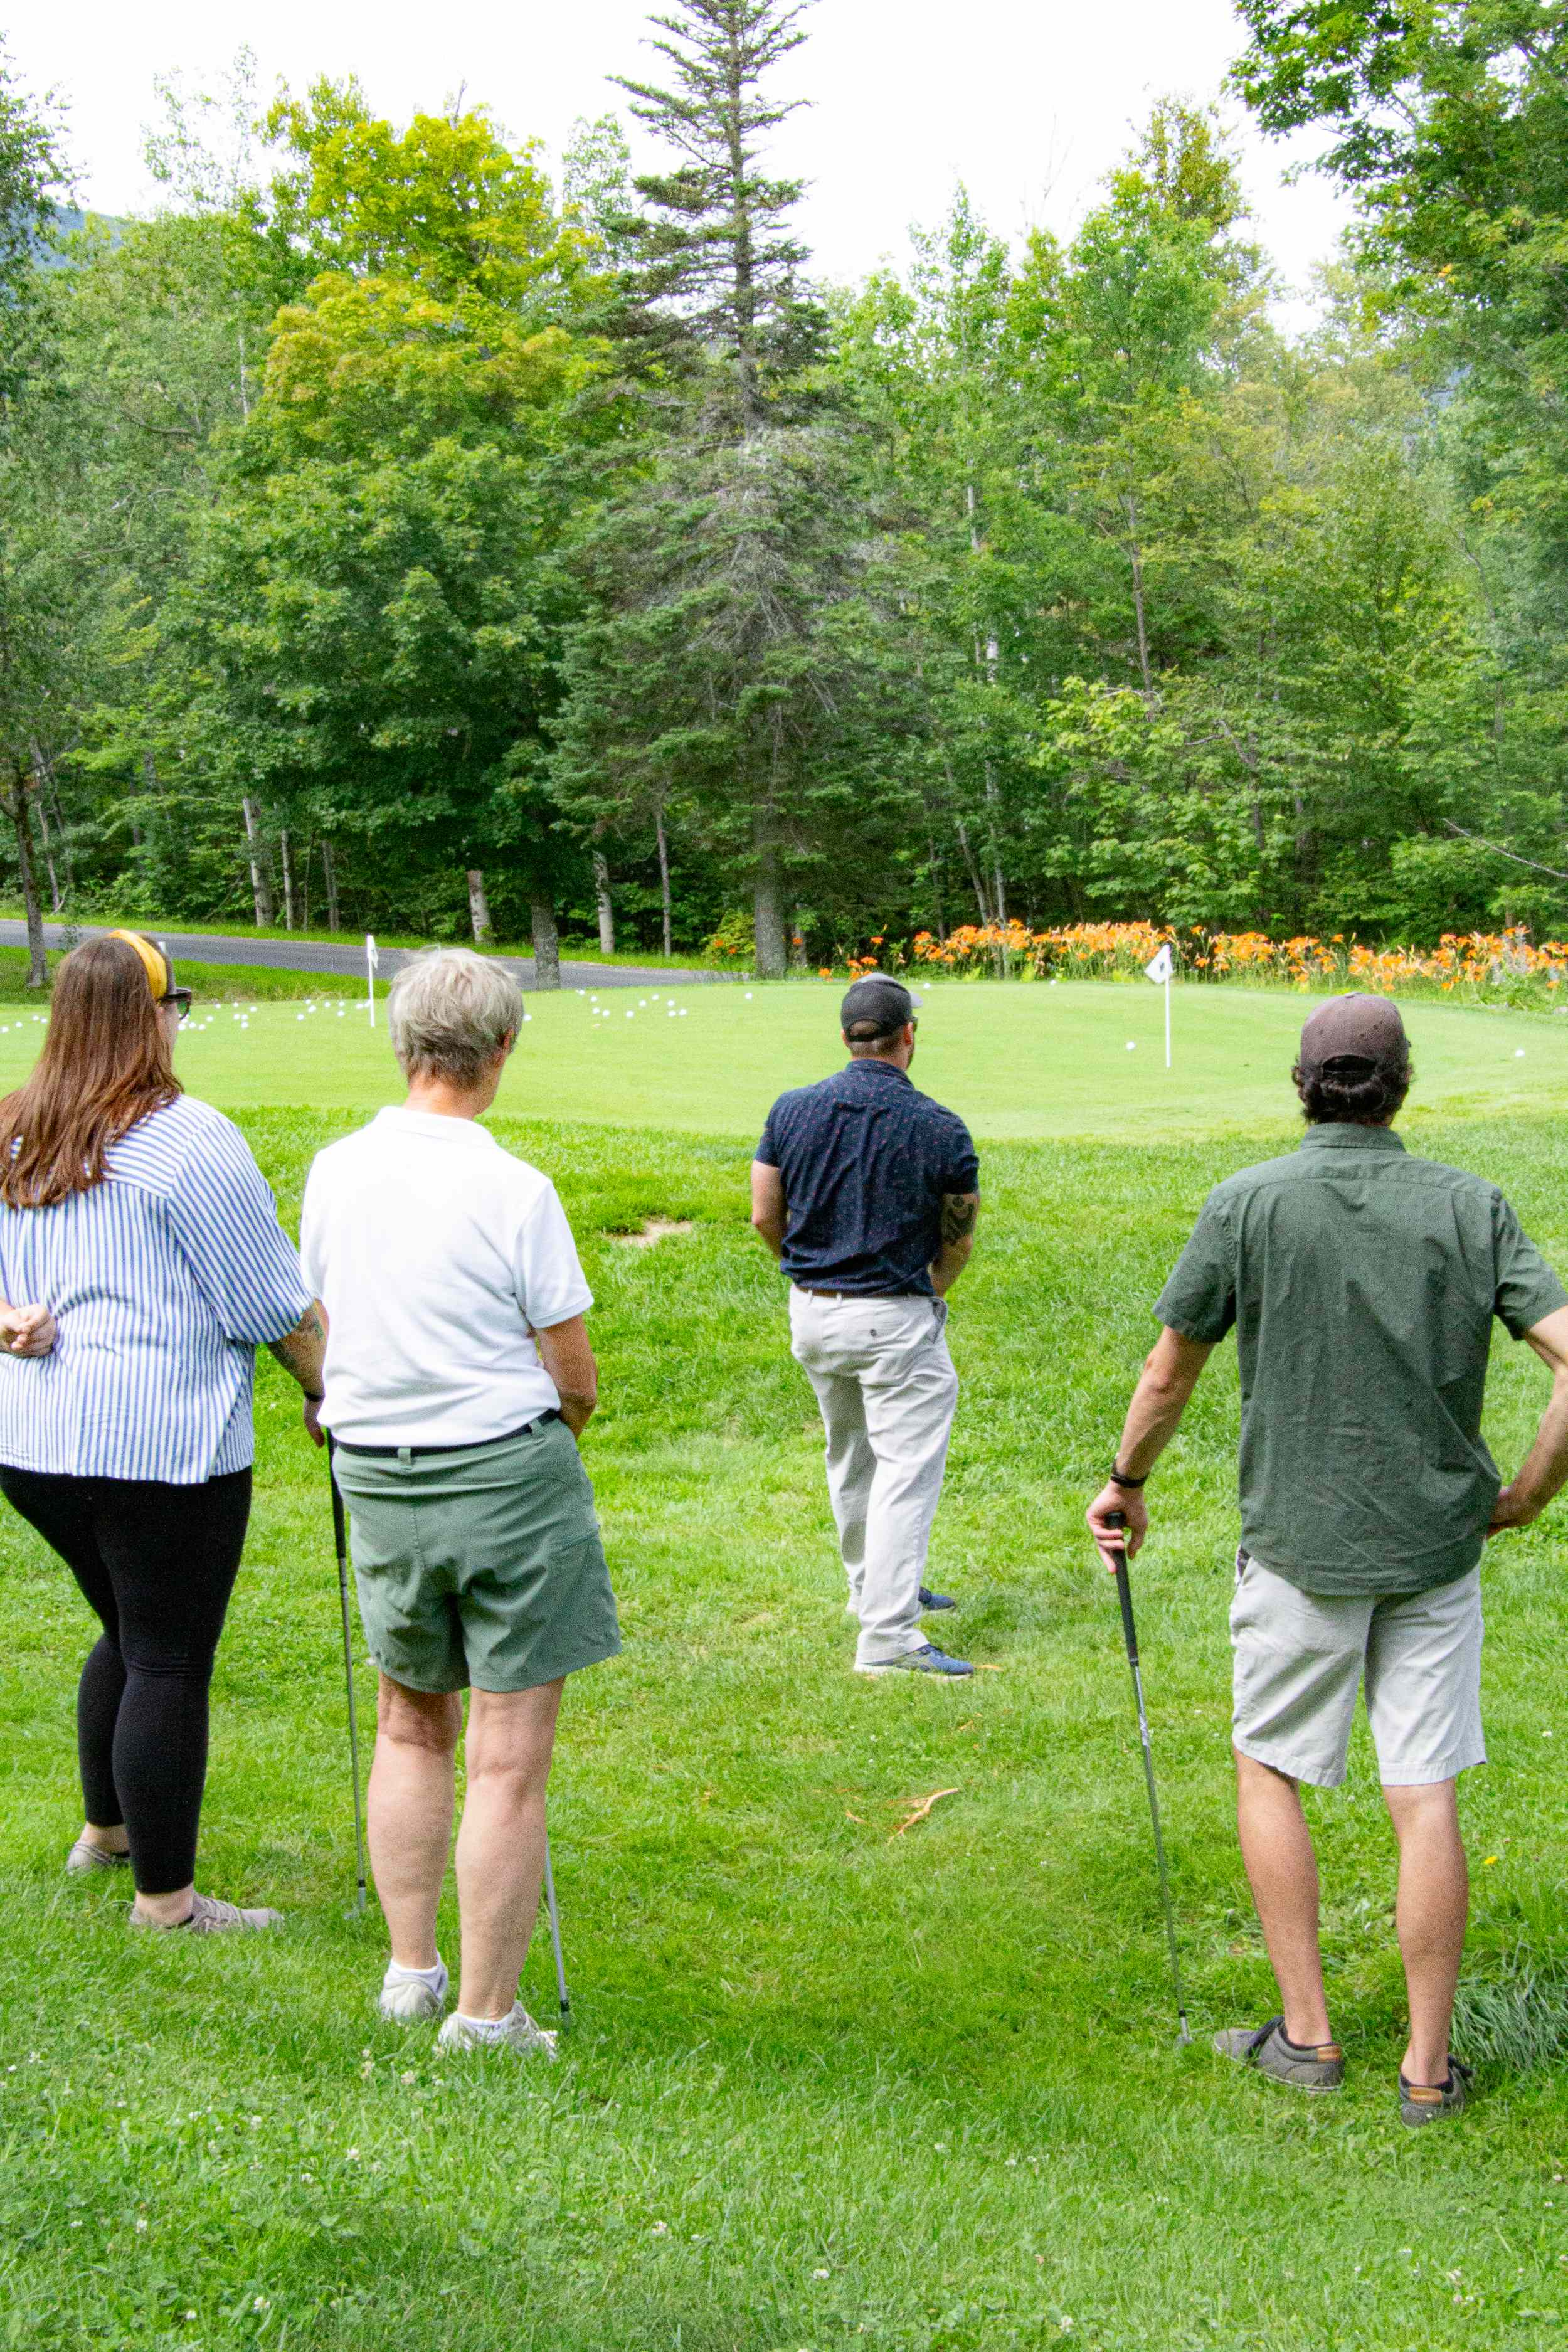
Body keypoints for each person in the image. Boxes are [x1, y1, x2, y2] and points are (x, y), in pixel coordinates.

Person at [1086, 993, 1568, 2126]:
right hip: (1437, 1550)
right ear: (1400, 1084)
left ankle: (1306, 2039)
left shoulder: (1247, 1202)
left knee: (1270, 1767)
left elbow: (1168, 1377)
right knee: (1425, 1792)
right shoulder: (1470, 1204)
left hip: (1299, 1547)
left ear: (1303, 1085)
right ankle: (1427, 2071)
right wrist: (1529, 1494)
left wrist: (1128, 1485)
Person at [300, 948, 619, 2056]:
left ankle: (411, 1972)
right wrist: (546, 1444)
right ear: (503, 1051)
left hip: (377, 1471)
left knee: (410, 1720)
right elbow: (574, 1377)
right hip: (502, 1470)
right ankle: (484, 2018)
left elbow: (330, 1324)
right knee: (507, 1751)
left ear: (404, 1044)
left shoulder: (333, 1168)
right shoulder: (513, 1187)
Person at [0, 931, 324, 1932]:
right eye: (172, 1003)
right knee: (169, 1656)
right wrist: (330, 1391)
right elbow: (270, 1301)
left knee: (132, 1634)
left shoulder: (16, 1125)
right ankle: (168, 1903)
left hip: (35, 1443)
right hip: (158, 1445)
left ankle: (107, 1835)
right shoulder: (188, 1138)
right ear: (152, 1017)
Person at [752, 973, 981, 1677]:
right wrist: (926, 1292)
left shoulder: (791, 1110)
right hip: (894, 1317)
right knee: (903, 1473)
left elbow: (765, 1213)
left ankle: (871, 1590)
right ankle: (887, 1636)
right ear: (908, 1034)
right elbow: (958, 1237)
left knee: (852, 1456)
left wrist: (804, 1272)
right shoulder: (939, 1126)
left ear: (847, 1035)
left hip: (813, 1314)